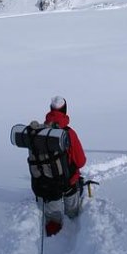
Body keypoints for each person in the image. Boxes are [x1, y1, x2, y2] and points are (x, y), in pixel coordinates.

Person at [42, 96, 86, 236]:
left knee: (52, 218)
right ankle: (73, 227)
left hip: (47, 182)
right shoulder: (69, 133)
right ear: (65, 110)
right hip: (68, 183)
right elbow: (80, 161)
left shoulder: (41, 132)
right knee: (73, 212)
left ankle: (53, 232)